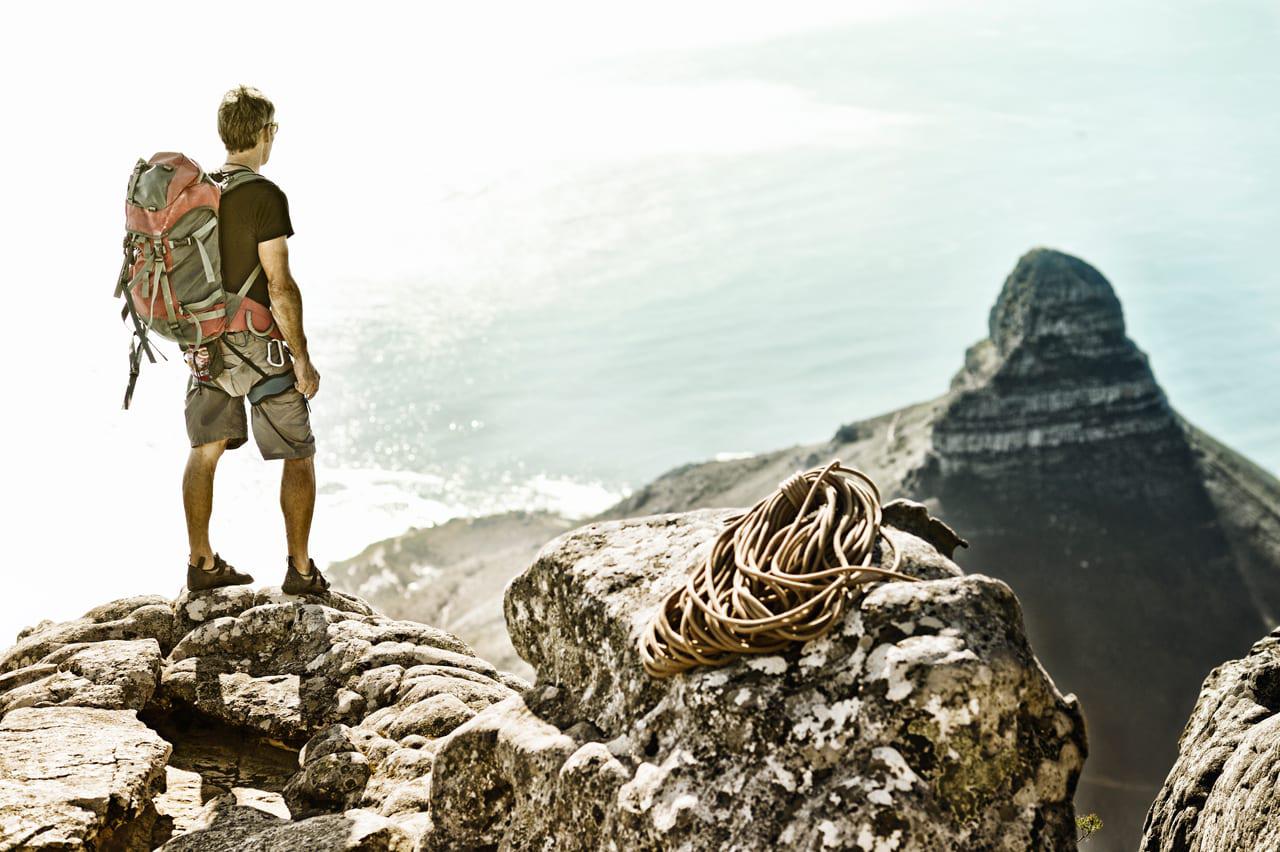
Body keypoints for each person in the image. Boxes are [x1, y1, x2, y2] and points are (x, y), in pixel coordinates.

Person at [182, 84, 330, 596]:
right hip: (258, 346)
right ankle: (302, 570)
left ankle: (201, 563)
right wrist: (303, 359)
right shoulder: (264, 195)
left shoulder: (196, 192)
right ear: (265, 134)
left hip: (204, 344)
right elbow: (279, 284)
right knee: (297, 451)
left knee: (205, 450)